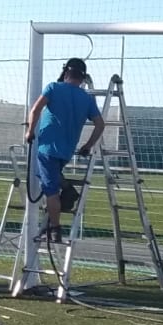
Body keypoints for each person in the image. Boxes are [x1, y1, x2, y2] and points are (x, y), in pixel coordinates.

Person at [25, 58, 106, 241]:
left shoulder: (53, 88)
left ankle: (55, 228)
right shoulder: (86, 98)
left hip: (47, 148)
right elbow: (100, 125)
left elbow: (35, 110)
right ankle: (66, 188)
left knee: (50, 190)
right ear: (82, 77)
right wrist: (87, 145)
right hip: (66, 151)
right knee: (44, 176)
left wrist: (30, 131)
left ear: (66, 72)